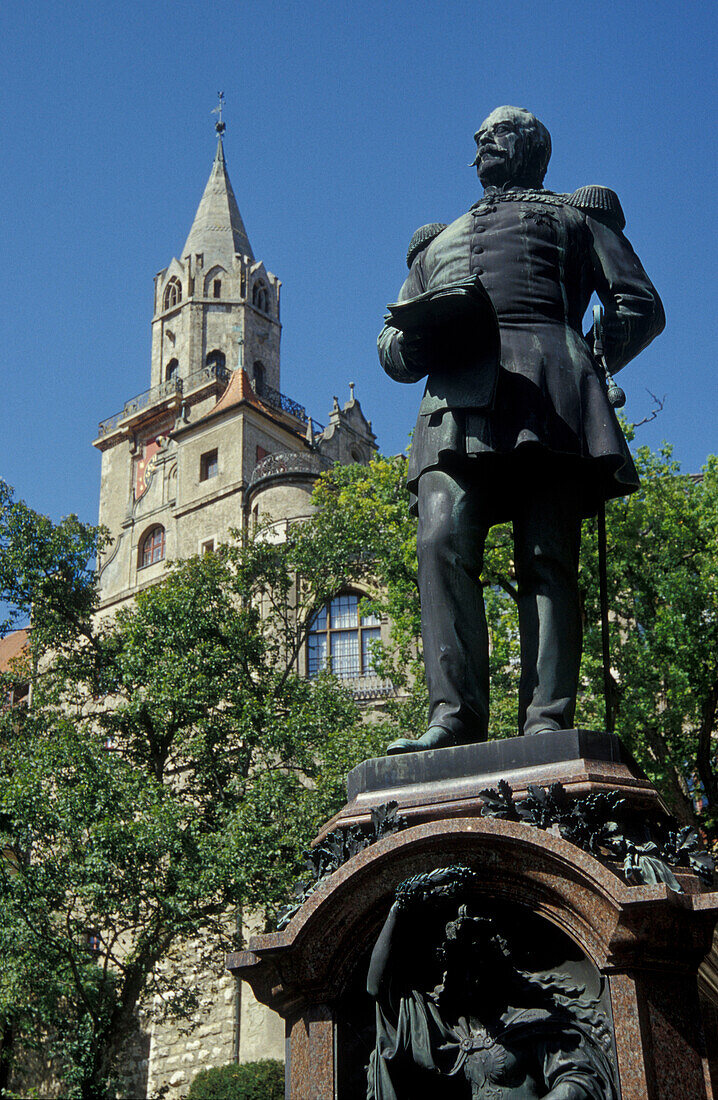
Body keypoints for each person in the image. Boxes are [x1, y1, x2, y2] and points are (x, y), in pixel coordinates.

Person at [378, 106, 664, 753]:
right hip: (454, 408)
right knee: (440, 543)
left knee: (546, 557)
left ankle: (546, 720)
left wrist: (588, 359)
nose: (482, 142)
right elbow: (391, 346)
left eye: (498, 134)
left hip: (553, 400)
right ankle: (453, 716)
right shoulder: (438, 242)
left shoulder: (574, 219)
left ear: (531, 149)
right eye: (479, 137)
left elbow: (638, 305)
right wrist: (418, 341)